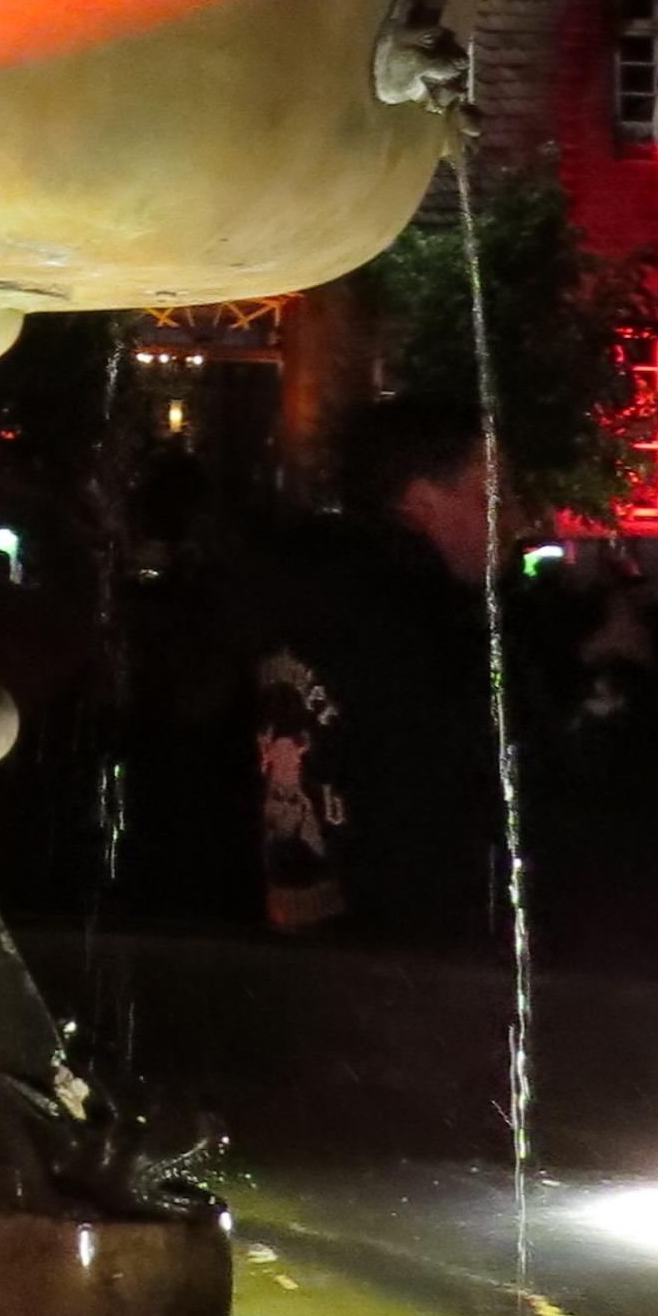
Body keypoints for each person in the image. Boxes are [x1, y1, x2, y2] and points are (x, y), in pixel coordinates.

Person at [235, 392, 507, 950]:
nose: (519, 518)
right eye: (492, 497)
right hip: (410, 957)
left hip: (284, 946)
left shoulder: (279, 596)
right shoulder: (435, 623)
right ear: (420, 501)